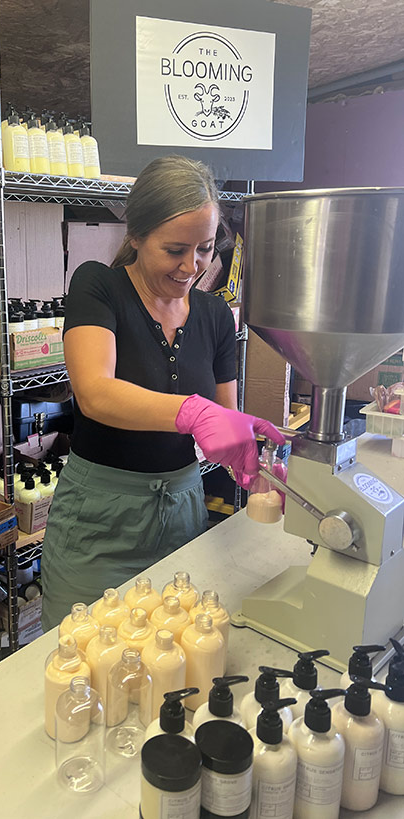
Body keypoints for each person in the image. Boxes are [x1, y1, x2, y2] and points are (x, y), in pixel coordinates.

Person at [41, 156, 284, 630]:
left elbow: (225, 420)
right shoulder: (99, 286)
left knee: (171, 660)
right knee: (81, 661)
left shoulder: (214, 315)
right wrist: (193, 412)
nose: (192, 266)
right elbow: (94, 393)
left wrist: (251, 455)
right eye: (175, 249)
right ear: (135, 235)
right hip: (99, 521)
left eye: (205, 248)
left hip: (181, 513)